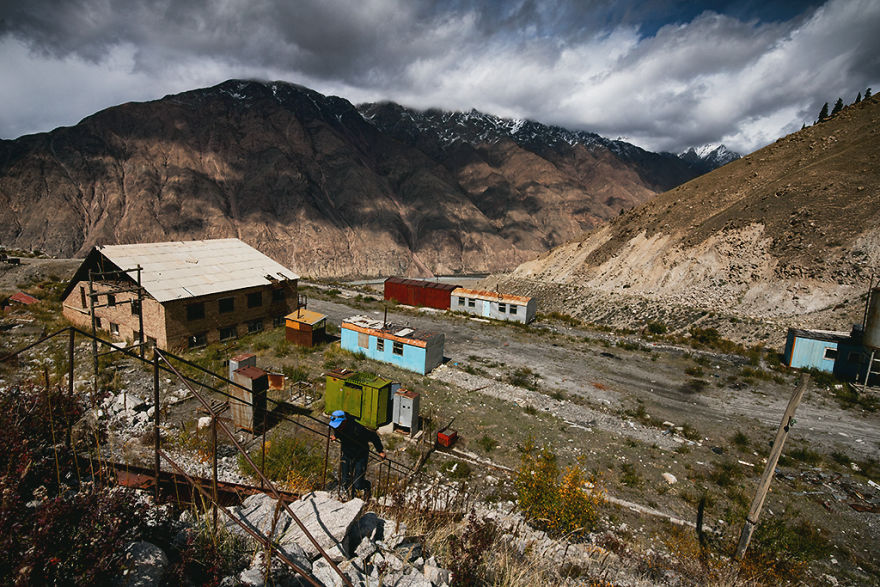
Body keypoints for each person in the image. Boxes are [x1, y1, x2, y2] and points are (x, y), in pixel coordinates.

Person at [329, 410, 385, 500]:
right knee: (344, 481)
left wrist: (380, 451)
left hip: (360, 456)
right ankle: (350, 497)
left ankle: (366, 486)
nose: (337, 428)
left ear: (344, 421)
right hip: (347, 454)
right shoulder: (338, 427)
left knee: (358, 483)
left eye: (338, 426)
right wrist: (336, 436)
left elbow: (374, 437)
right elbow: (339, 431)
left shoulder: (358, 429)